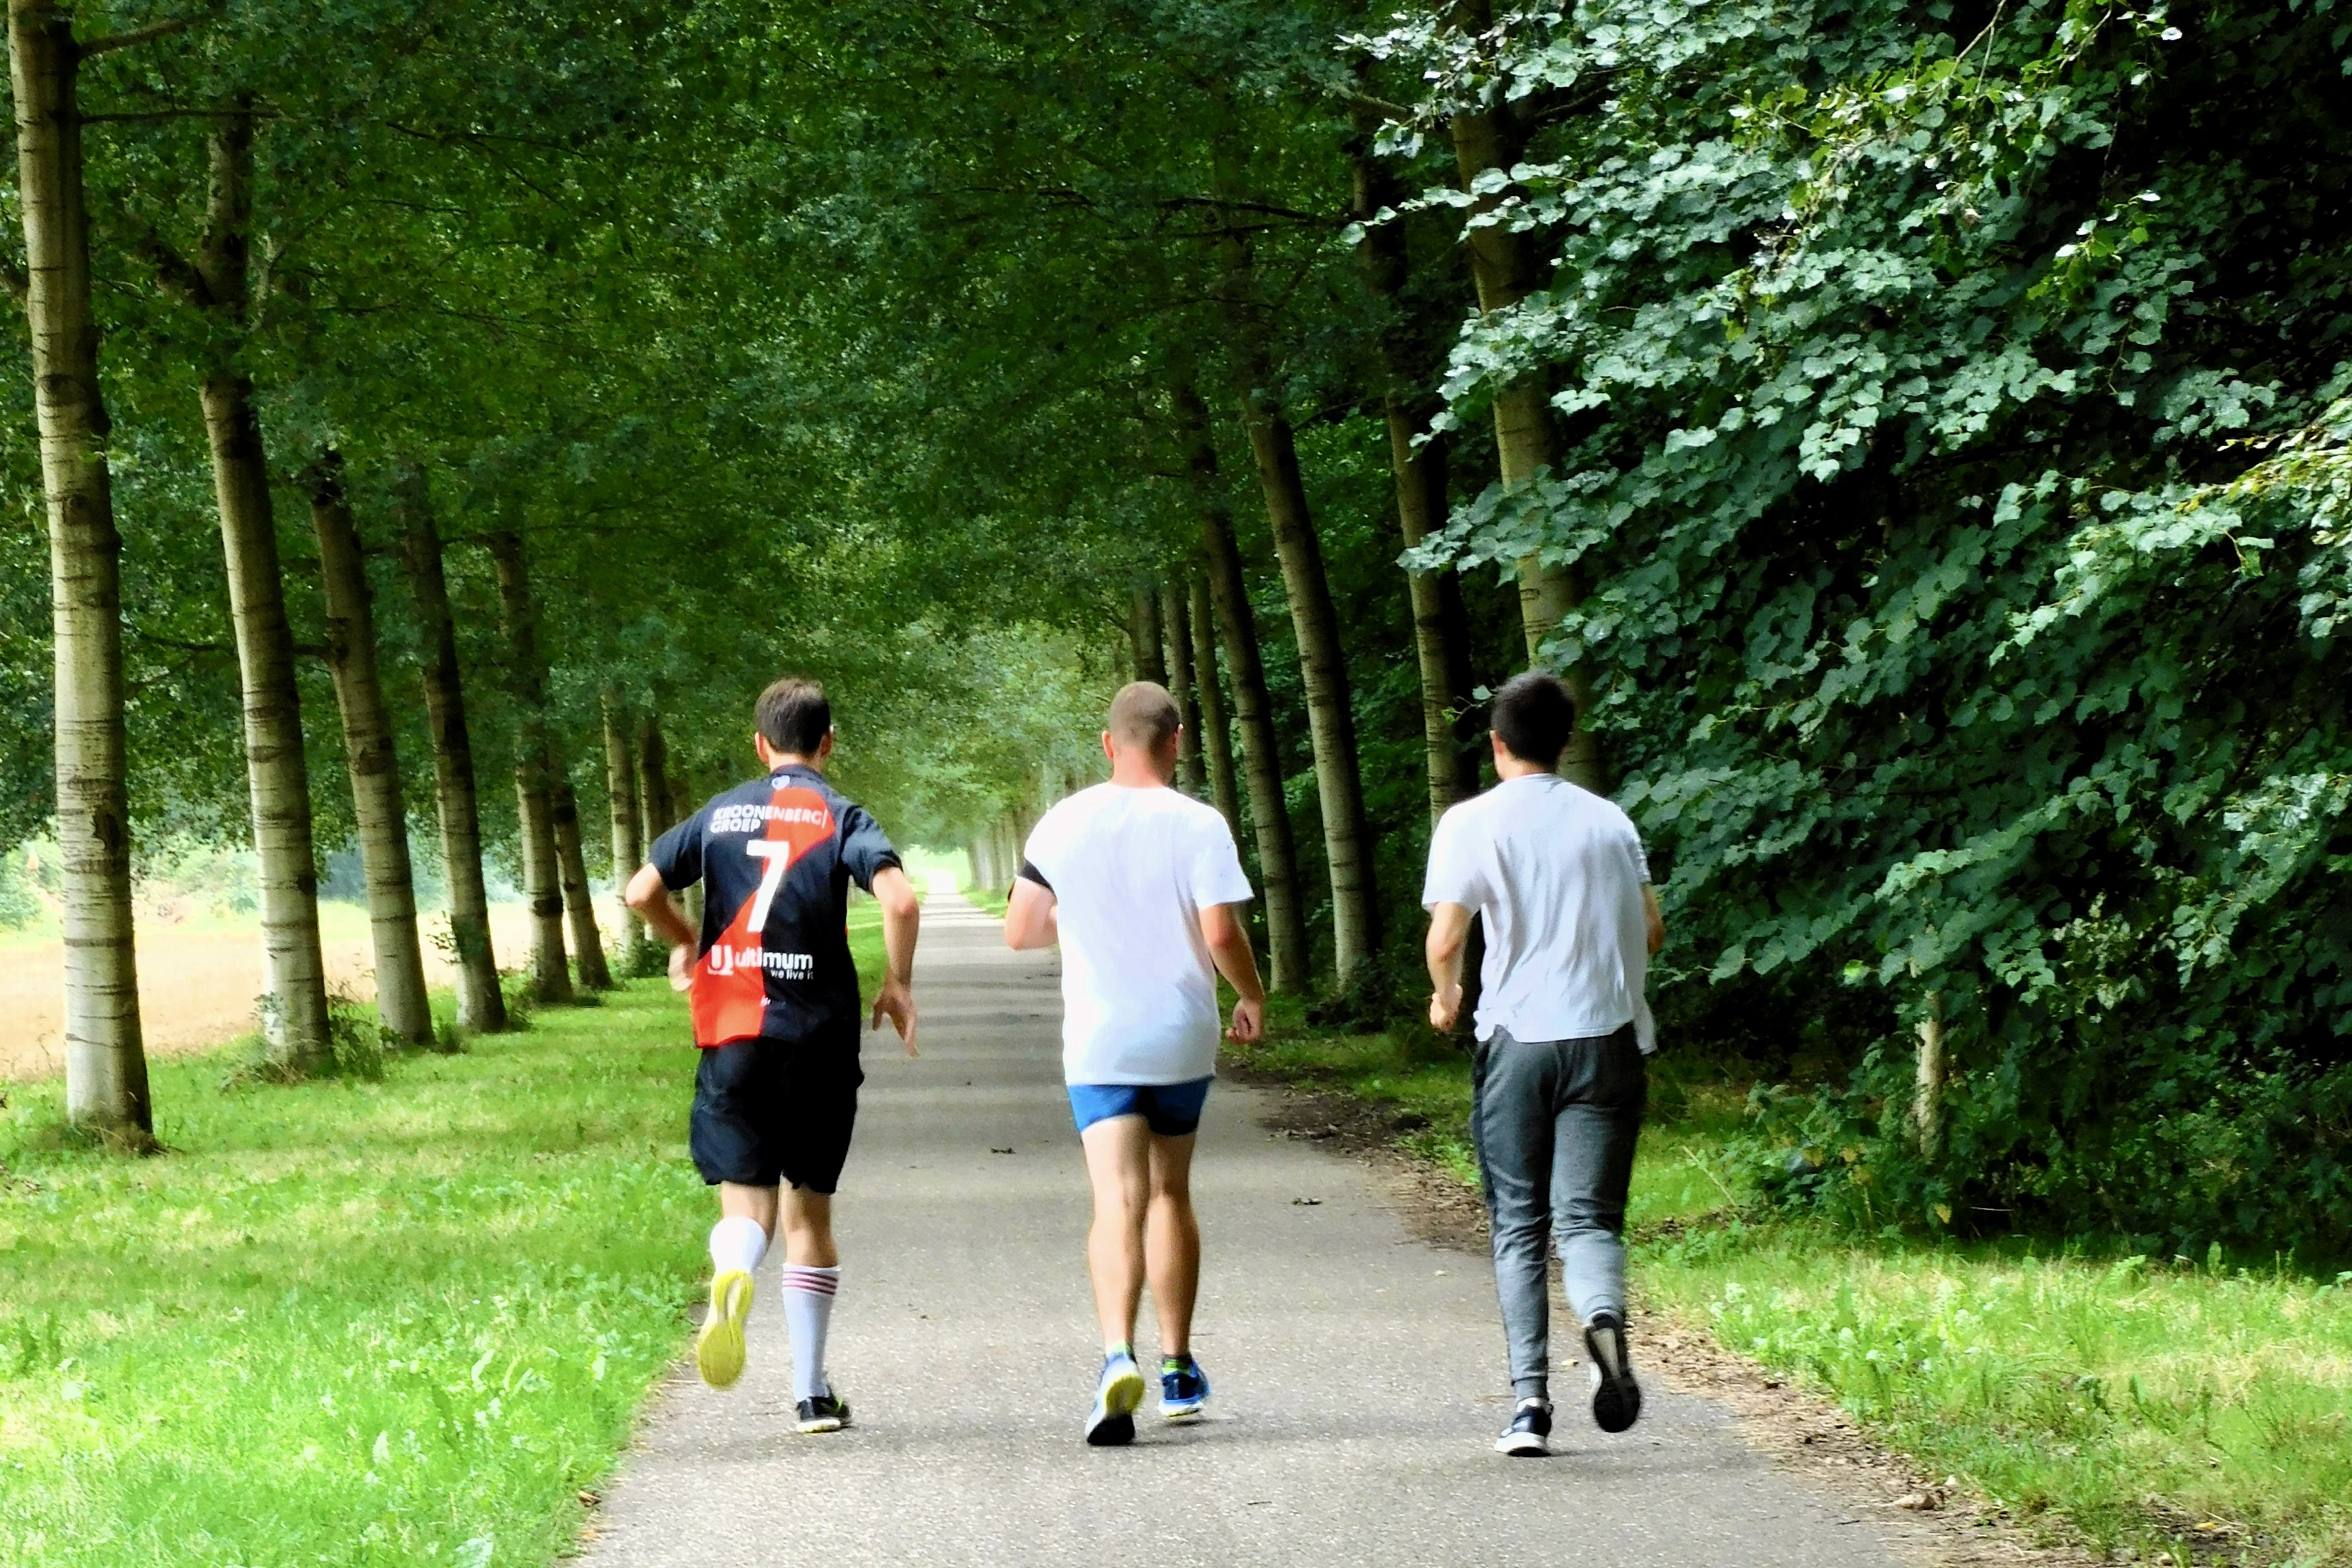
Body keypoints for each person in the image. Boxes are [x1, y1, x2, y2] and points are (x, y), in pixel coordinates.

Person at [624, 676, 921, 1435]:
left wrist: (687, 940)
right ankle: (811, 1393)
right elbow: (900, 900)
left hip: (732, 1027)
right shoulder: (841, 814)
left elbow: (639, 890)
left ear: (761, 744)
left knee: (746, 1200)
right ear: (828, 742)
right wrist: (897, 984)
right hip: (817, 1034)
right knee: (809, 1210)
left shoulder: (722, 811)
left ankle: (733, 1270)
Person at [1004, 681, 1266, 1446]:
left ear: (1108, 743)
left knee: (1117, 1199)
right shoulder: (1200, 824)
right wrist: (1251, 995)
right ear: (1176, 740)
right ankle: (1179, 1368)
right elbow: (1220, 934)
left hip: (1100, 1038)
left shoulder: (1062, 823)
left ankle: (1117, 1354)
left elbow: (1021, 931)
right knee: (1170, 1192)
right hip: (1181, 1032)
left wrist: (1082, 912)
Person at [1422, 670, 1666, 1457]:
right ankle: (1601, 1318)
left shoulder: (1472, 822)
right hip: (1610, 1042)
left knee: (1520, 1226)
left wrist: (1446, 993)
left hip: (1520, 1045)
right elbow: (1652, 931)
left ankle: (1529, 1405)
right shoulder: (1611, 823)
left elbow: (1448, 936)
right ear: (1566, 740)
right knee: (1589, 1219)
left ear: (1497, 744)